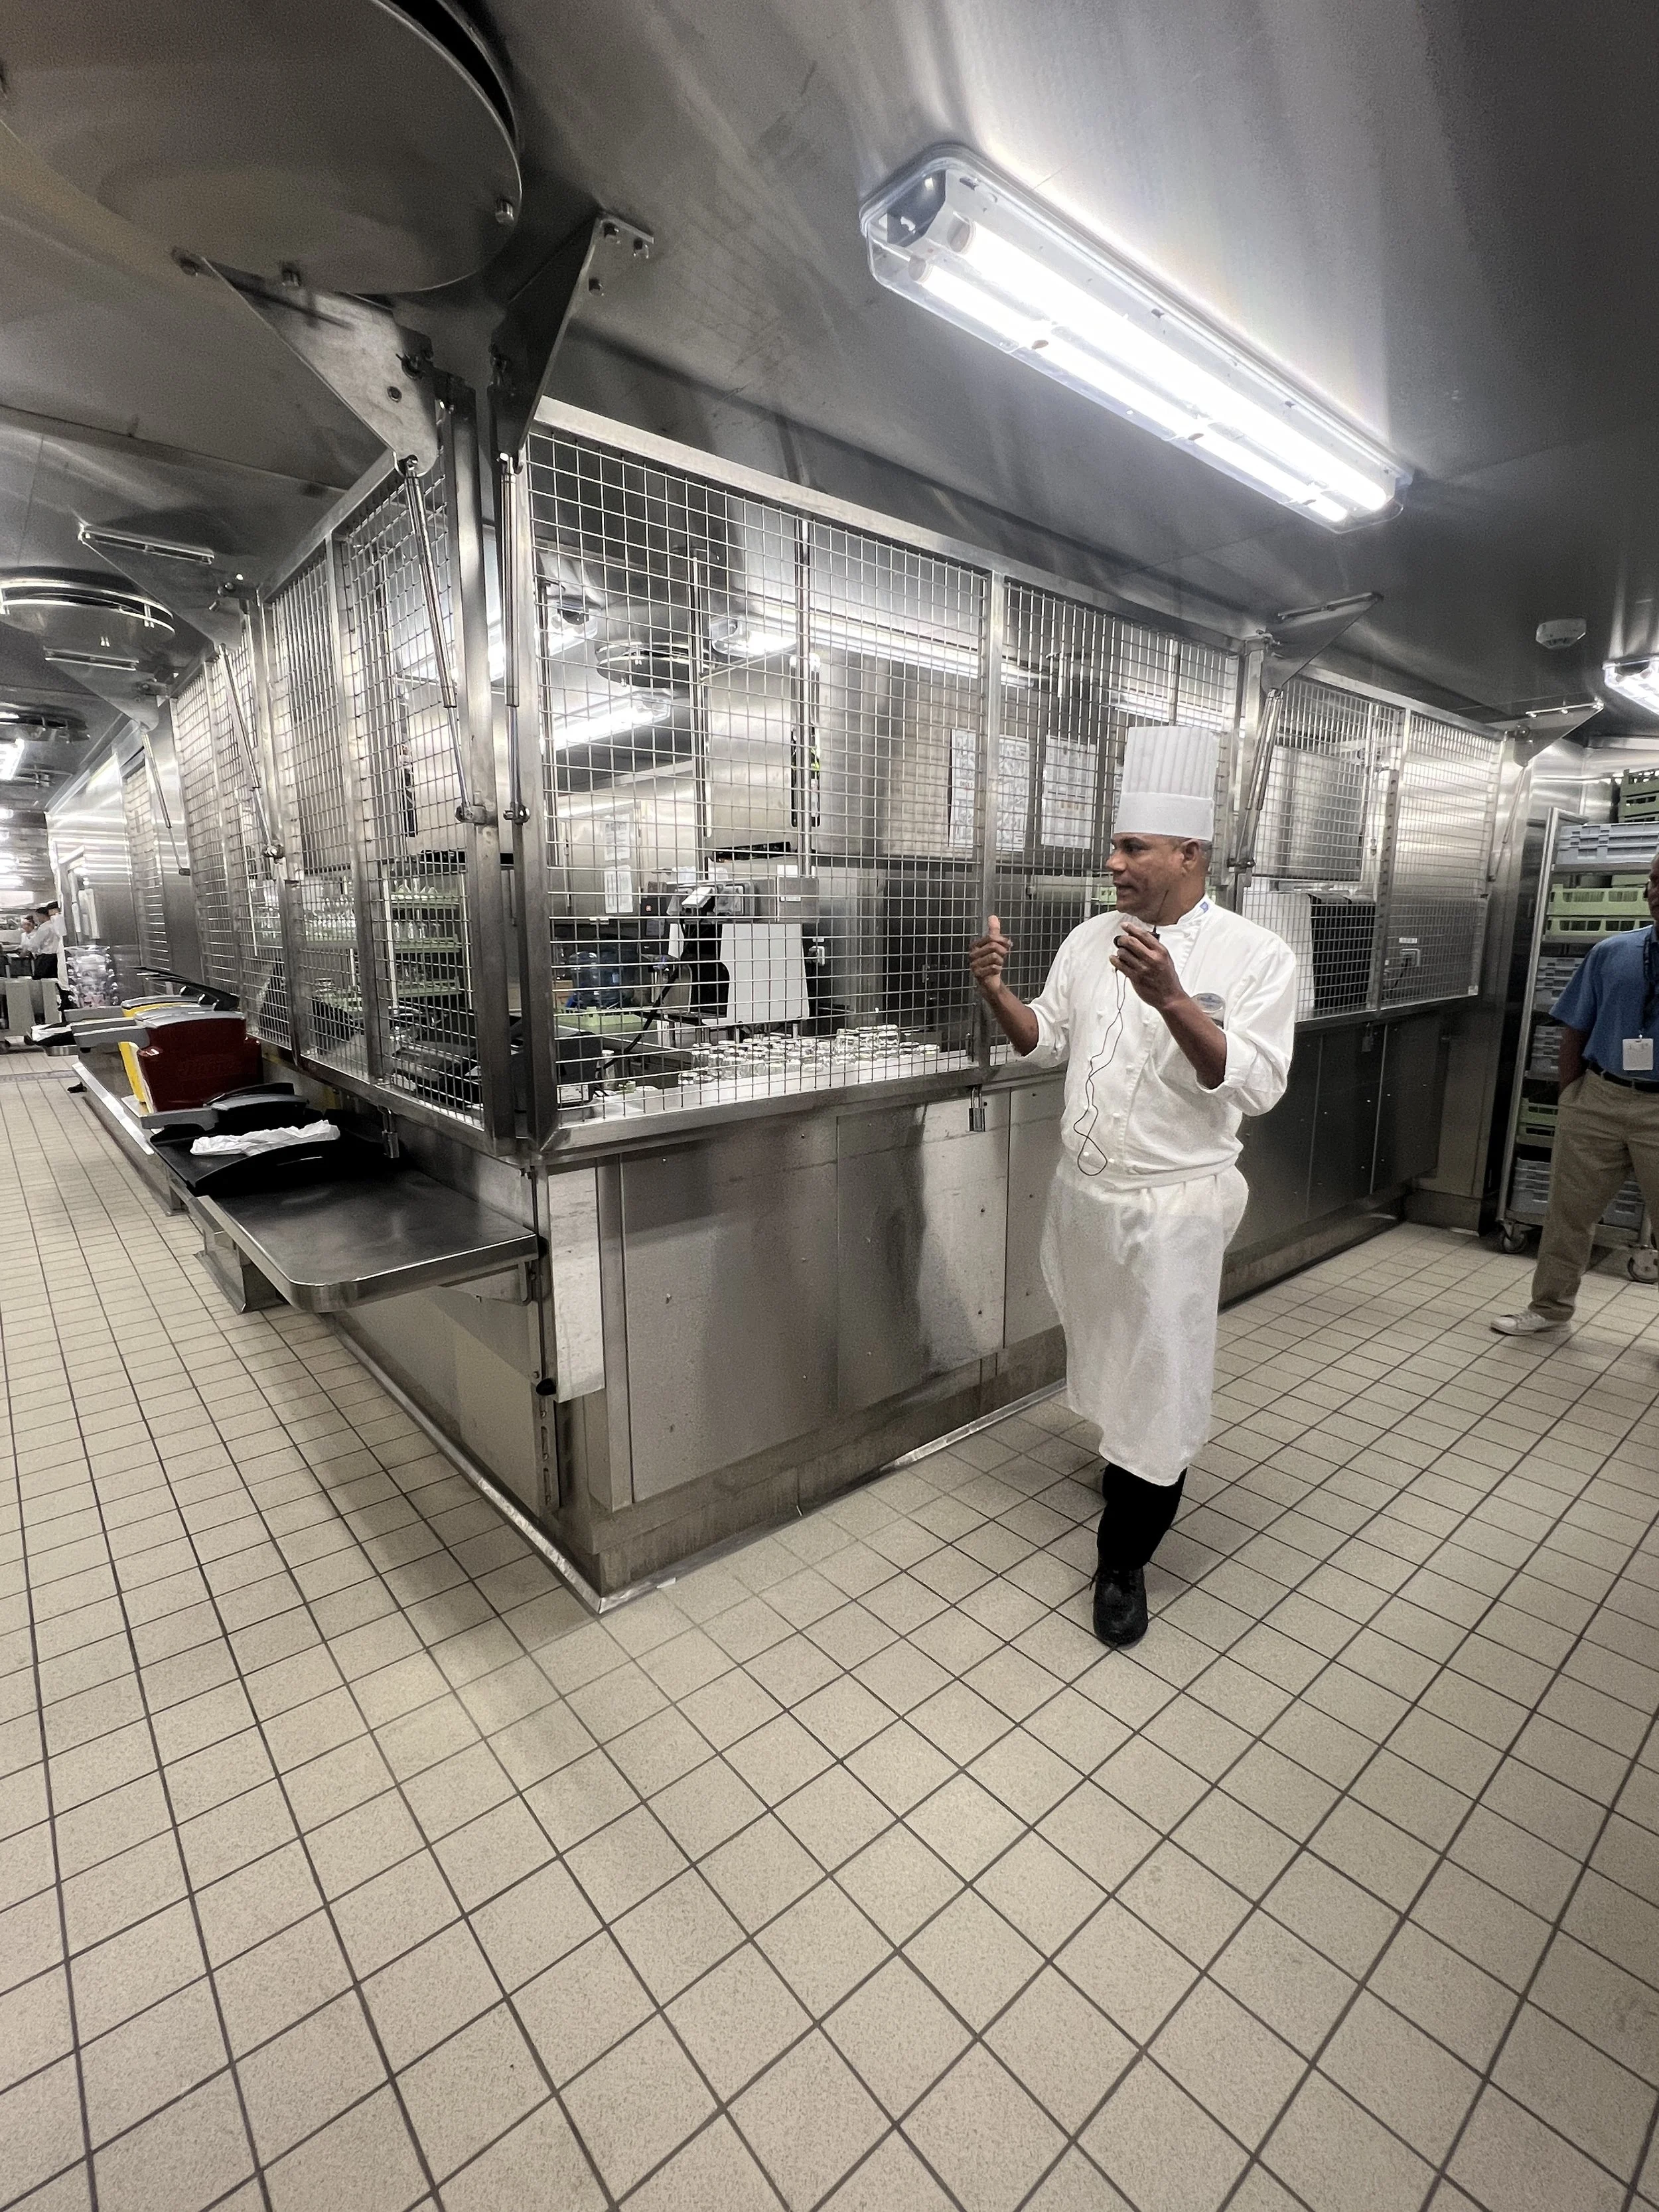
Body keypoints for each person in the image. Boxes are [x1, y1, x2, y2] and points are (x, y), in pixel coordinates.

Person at [968, 724, 1299, 1647]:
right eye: (1114, 846)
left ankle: (1124, 1558)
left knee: (1163, 1374)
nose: (1112, 863)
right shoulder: (1090, 939)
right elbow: (1048, 1039)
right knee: (1107, 1344)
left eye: (1132, 847)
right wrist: (997, 993)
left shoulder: (1256, 955)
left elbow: (1258, 1084)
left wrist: (1174, 1001)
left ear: (1190, 854)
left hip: (1172, 1206)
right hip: (1086, 1196)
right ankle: (1125, 1464)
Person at [1493, 844, 1659, 1334]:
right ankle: (1549, 1308)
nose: (1654, 892)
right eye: (1653, 881)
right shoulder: (1613, 952)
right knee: (1569, 1214)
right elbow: (1574, 1028)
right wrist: (1572, 1096)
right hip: (1600, 1097)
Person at [31, 903, 63, 980]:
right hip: (58, 956)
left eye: (38, 916)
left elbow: (35, 944)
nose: (37, 919)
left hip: (46, 958)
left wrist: (33, 952)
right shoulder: (57, 925)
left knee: (43, 980)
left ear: (42, 915)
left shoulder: (44, 927)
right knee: (56, 978)